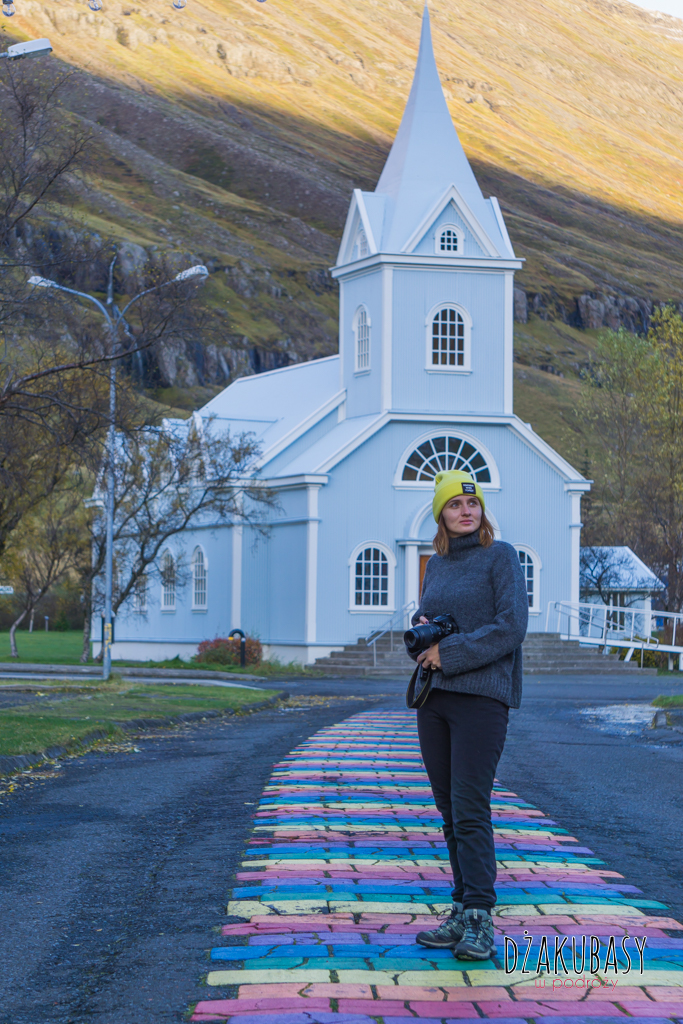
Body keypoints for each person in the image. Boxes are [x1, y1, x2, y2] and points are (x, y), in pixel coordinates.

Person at [407, 469, 528, 960]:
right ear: (441, 513)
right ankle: (460, 910)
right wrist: (423, 631)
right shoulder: (436, 565)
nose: (465, 511)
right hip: (434, 699)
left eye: (472, 503)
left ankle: (480, 917)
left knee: (471, 807)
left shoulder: (500, 556)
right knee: (450, 812)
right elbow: (431, 628)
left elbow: (511, 626)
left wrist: (449, 652)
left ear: (481, 510)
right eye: (455, 504)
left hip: (482, 698)